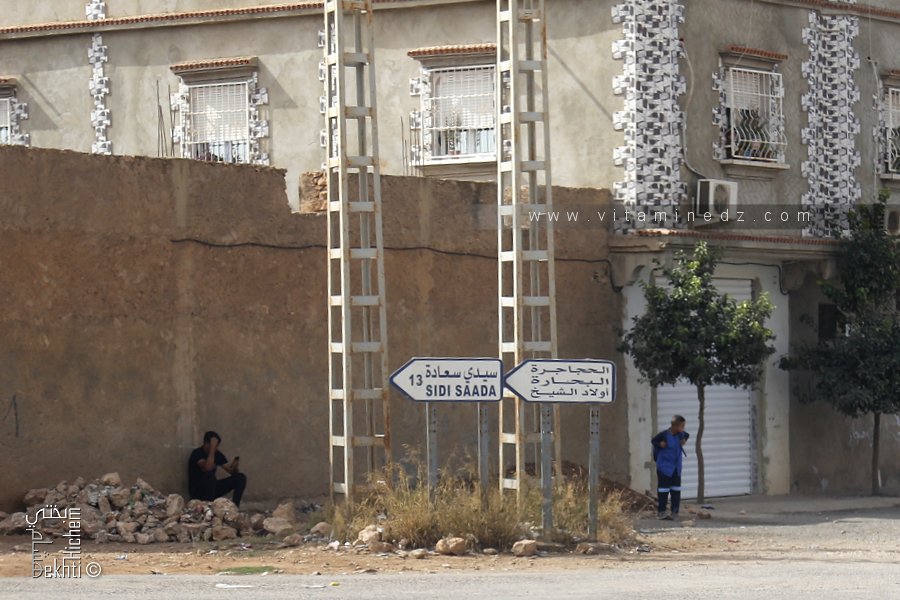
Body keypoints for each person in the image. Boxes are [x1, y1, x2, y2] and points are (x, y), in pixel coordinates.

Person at [188, 430, 247, 507]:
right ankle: (208, 508)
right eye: (214, 445)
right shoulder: (197, 453)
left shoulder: (217, 454)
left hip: (212, 490)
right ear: (206, 443)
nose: (215, 448)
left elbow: (231, 472)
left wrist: (235, 467)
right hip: (198, 491)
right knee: (209, 476)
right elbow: (208, 467)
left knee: (241, 477)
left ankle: (235, 508)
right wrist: (212, 449)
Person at [651, 415, 689, 520]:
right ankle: (661, 511)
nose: (683, 429)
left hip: (676, 468)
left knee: (675, 491)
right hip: (664, 467)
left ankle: (674, 512)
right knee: (663, 491)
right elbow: (654, 441)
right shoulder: (663, 435)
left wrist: (684, 440)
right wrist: (660, 444)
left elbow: (686, 435)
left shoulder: (681, 435)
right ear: (675, 426)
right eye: (682, 426)